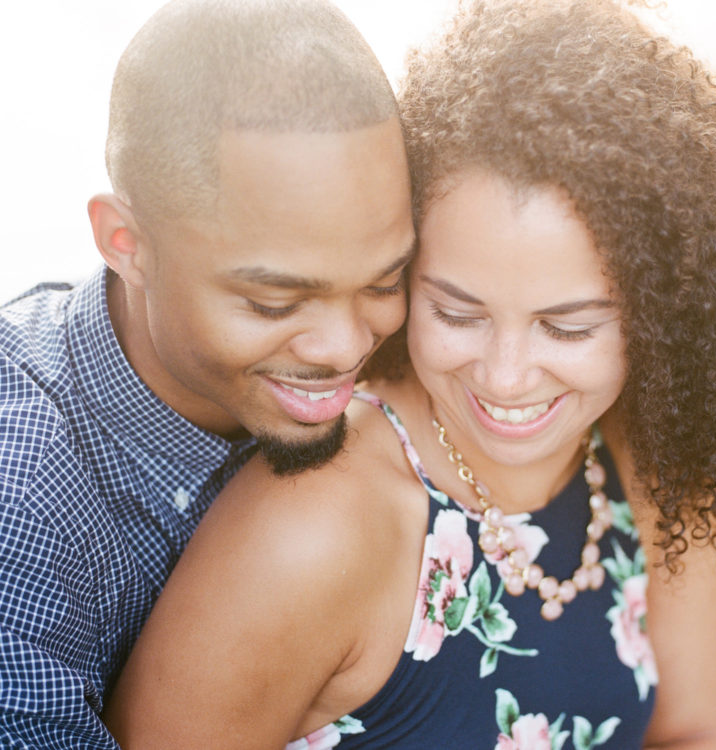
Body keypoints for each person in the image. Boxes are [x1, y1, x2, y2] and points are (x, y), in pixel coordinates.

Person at [104, 2, 716, 749]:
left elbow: (697, 731)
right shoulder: (316, 529)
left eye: (568, 326)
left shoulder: (653, 449)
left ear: (660, 316)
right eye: (457, 312)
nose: (508, 376)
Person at [0, 1, 413, 747]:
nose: (346, 346)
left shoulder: (425, 352)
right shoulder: (24, 500)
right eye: (274, 302)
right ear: (127, 244)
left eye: (384, 282)